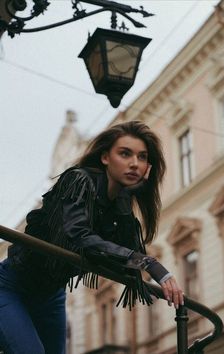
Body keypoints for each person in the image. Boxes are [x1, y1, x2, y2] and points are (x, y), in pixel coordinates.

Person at [0, 121, 184, 354]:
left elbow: (126, 261)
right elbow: (79, 237)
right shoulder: (78, 180)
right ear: (105, 157)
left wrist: (128, 197)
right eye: (125, 154)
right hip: (11, 286)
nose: (134, 163)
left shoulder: (120, 204)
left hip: (51, 296)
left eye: (142, 157)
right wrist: (149, 263)